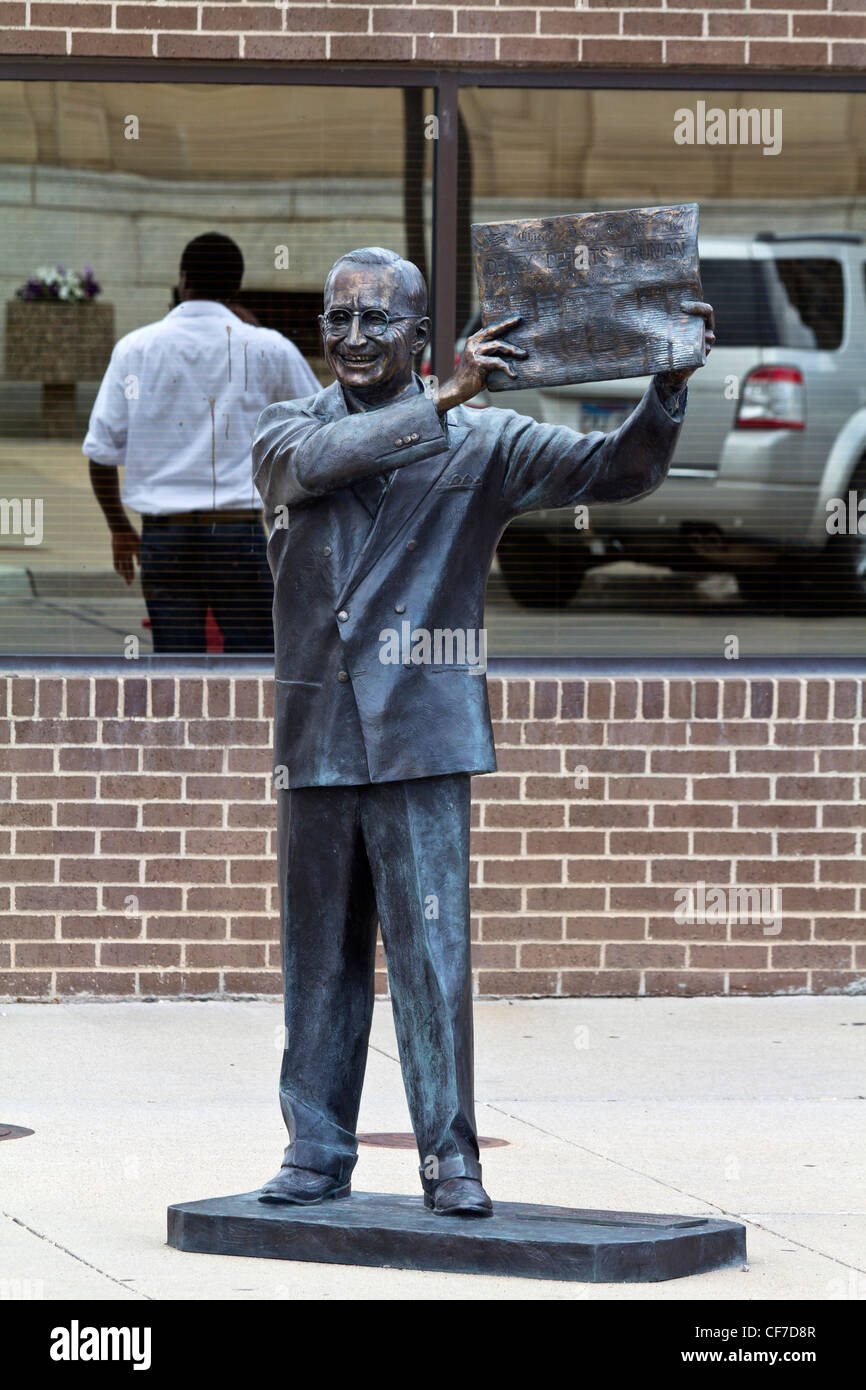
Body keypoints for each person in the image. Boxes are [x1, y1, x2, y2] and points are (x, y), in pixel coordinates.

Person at [252, 246, 715, 1216]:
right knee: (318, 955)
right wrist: (447, 397)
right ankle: (314, 1147)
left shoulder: (484, 444)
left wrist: (664, 391)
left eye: (376, 320)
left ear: (419, 334)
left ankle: (448, 1158)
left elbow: (615, 469)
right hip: (321, 728)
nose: (350, 337)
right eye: (337, 317)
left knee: (431, 956)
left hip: (421, 732)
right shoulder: (286, 432)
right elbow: (324, 464)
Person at [83, 232, 319, 653]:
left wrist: (120, 528)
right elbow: (317, 432)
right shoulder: (269, 348)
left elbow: (100, 452)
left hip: (164, 538)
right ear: (236, 287)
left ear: (183, 279)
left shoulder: (133, 349)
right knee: (255, 669)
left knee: (177, 674)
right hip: (237, 536)